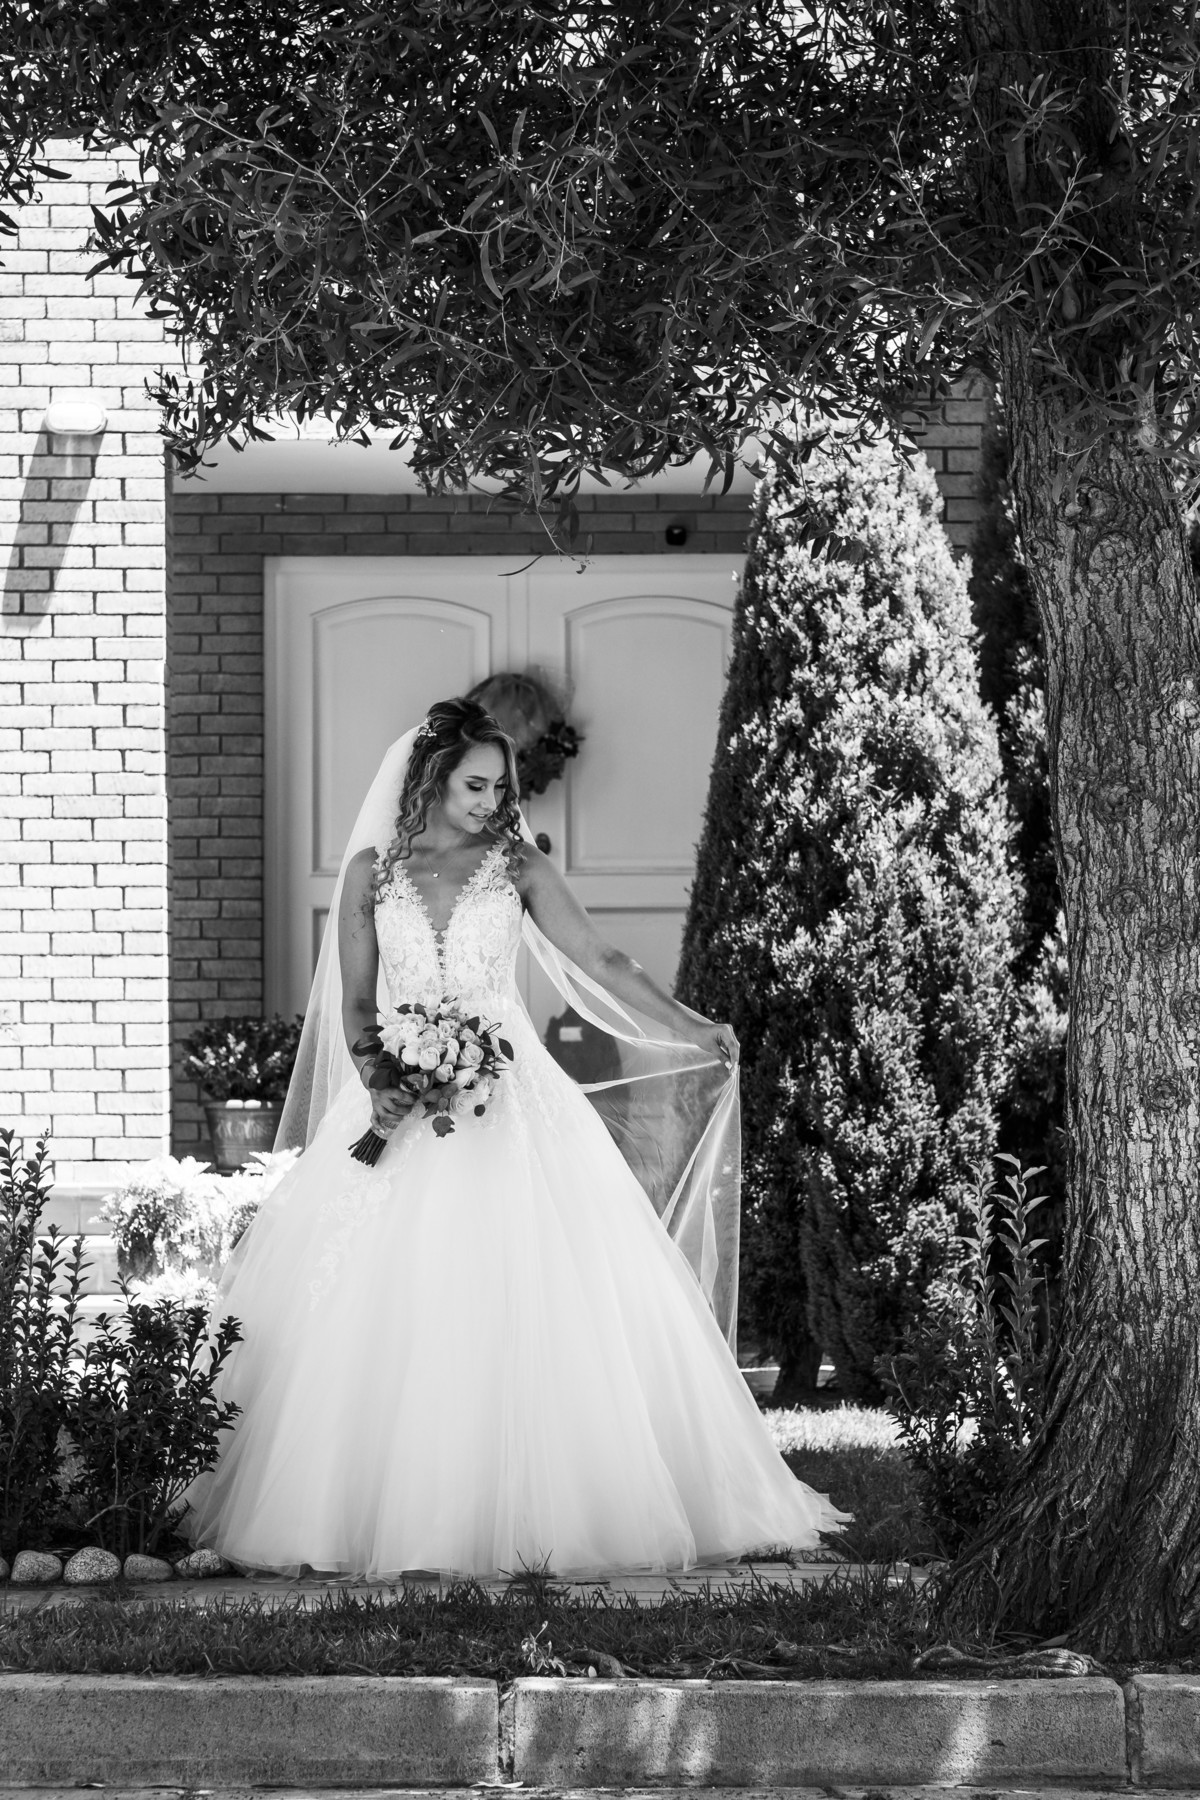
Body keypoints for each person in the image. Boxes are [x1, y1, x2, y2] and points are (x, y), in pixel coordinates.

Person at [179, 697, 848, 1578]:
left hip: (514, 1102)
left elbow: (602, 960)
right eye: (475, 785)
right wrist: (384, 1083)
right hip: (399, 1111)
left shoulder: (519, 866)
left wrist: (690, 1024)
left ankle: (573, 1505)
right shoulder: (372, 874)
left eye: (502, 787)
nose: (492, 800)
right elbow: (352, 1003)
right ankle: (359, 1509)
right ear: (431, 779)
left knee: (548, 1294)